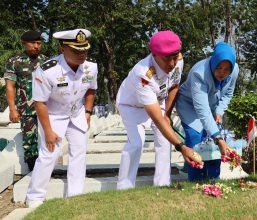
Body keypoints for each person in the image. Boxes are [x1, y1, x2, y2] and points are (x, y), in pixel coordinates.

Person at [116, 30, 201, 190]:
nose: (172, 63)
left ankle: (162, 184)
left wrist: (167, 114)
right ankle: (124, 187)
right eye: (166, 58)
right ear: (154, 55)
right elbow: (157, 119)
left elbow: (174, 86)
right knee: (136, 142)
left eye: (175, 57)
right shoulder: (143, 74)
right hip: (131, 106)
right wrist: (182, 147)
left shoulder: (178, 60)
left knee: (164, 142)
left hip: (159, 100)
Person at [25, 29, 98, 207]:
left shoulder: (91, 67)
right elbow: (40, 102)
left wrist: (88, 112)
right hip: (53, 115)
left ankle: (75, 194)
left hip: (77, 113)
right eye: (76, 50)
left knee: (79, 153)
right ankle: (35, 197)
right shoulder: (47, 70)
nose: (82, 54)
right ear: (62, 49)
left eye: (84, 50)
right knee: (49, 154)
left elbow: (91, 89)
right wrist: (48, 131)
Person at [175, 42, 239, 181]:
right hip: (189, 106)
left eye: (227, 69)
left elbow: (228, 94)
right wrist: (219, 139)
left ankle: (213, 178)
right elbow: (202, 110)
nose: (222, 72)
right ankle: (196, 180)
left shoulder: (234, 70)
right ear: (213, 62)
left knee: (212, 143)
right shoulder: (200, 74)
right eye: (219, 68)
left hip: (211, 107)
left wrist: (219, 111)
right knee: (196, 140)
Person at [4, 30, 47, 170]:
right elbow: (10, 87)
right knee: (29, 142)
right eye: (33, 43)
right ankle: (33, 172)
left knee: (50, 137)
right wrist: (12, 109)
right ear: (24, 43)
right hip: (26, 109)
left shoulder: (47, 61)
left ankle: (48, 168)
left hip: (47, 108)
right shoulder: (14, 62)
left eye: (39, 43)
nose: (36, 46)